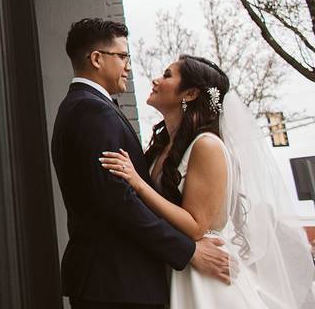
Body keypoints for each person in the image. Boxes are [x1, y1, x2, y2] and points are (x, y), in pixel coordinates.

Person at [100, 54, 315, 308]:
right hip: (176, 266)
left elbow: (196, 226)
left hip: (205, 276)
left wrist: (138, 183)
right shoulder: (162, 149)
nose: (156, 80)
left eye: (167, 75)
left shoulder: (206, 145)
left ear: (190, 94)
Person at [51, 18, 231, 308]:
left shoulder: (89, 107)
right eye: (122, 56)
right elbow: (117, 200)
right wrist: (188, 252)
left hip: (120, 281)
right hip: (116, 282)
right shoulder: (92, 110)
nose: (129, 66)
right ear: (97, 59)